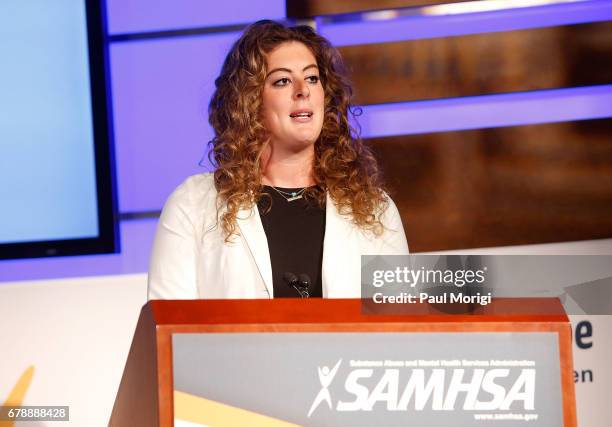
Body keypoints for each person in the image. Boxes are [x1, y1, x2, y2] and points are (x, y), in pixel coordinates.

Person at [148, 20, 408, 300]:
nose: (303, 90)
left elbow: (403, 327)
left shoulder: (373, 208)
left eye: (312, 78)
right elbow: (167, 329)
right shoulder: (193, 206)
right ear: (249, 102)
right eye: (282, 81)